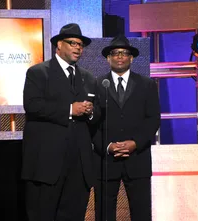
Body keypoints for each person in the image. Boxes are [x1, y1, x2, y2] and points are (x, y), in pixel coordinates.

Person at [22, 23, 100, 221]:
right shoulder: (38, 73)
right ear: (59, 44)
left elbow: (97, 115)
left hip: (79, 166)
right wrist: (69, 109)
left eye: (81, 45)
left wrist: (91, 113)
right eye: (72, 43)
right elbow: (32, 105)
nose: (77, 48)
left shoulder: (89, 78)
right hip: (47, 165)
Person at [93, 35, 161, 221]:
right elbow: (92, 125)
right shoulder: (97, 85)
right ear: (108, 58)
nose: (120, 56)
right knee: (103, 215)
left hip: (138, 160)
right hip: (106, 162)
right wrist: (107, 146)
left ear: (131, 58)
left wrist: (135, 143)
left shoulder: (146, 84)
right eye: (115, 53)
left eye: (125, 53)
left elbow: (153, 119)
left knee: (141, 213)